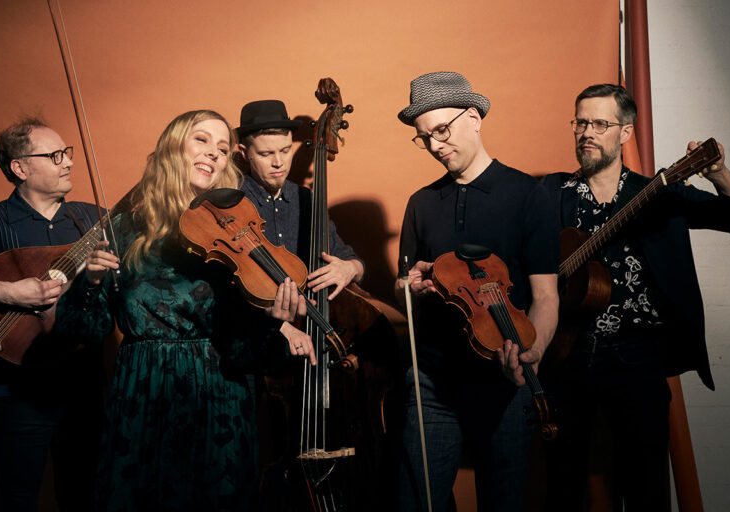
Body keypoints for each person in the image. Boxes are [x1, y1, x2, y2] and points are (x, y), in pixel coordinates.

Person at [53, 109, 312, 510]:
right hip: (143, 393)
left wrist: (273, 323)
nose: (214, 154)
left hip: (219, 397)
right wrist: (90, 281)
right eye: (202, 140)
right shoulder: (122, 228)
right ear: (174, 147)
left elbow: (244, 352)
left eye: (224, 149)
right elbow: (82, 331)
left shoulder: (234, 237)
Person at [540, 84, 730, 511]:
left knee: (645, 485)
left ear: (626, 133)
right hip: (566, 353)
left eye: (600, 124)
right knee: (562, 482)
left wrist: (718, 172)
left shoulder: (660, 195)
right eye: (580, 122)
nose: (586, 133)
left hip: (638, 356)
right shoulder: (551, 194)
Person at [393, 71, 560, 511]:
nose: (434, 145)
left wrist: (532, 354)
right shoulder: (421, 203)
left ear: (474, 118)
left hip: (503, 380)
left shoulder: (528, 195)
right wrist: (410, 288)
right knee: (417, 501)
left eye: (441, 130)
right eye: (424, 137)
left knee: (502, 502)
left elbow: (545, 296)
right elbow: (401, 286)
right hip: (431, 383)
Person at [0, 116, 104, 511]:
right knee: (17, 499)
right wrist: (12, 292)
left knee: (86, 495)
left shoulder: (93, 219)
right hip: (19, 390)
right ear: (20, 168)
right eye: (54, 156)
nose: (67, 162)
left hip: (86, 386)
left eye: (66, 153)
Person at [235, 99, 364, 361]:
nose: (278, 163)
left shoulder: (308, 200)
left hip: (313, 338)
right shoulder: (233, 203)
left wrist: (350, 269)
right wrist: (276, 323)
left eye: (285, 150)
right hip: (253, 343)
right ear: (244, 152)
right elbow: (223, 292)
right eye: (265, 154)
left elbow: (353, 260)